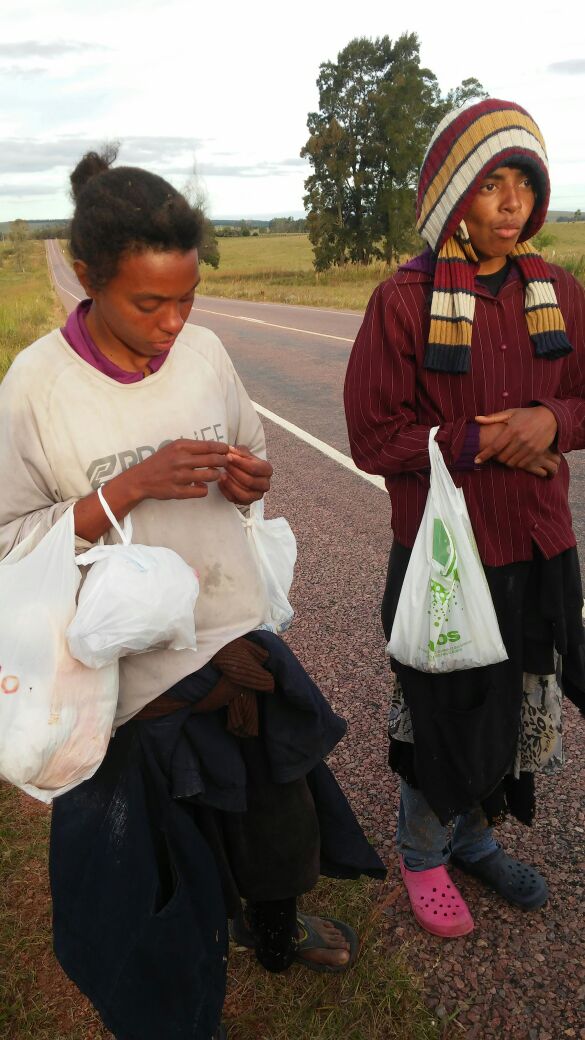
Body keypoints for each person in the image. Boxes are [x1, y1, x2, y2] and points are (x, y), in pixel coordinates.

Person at [0, 150, 384, 1040]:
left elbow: (251, 450)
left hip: (235, 643)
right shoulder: (34, 390)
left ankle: (275, 925)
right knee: (162, 874)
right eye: (148, 303)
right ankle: (180, 989)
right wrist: (127, 487)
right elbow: (12, 543)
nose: (173, 323)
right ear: (89, 281)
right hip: (127, 691)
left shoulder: (204, 353)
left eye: (188, 297)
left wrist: (252, 478)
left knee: (276, 821)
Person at [344, 98, 585, 939]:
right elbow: (373, 438)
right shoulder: (403, 301)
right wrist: (482, 440)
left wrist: (552, 423)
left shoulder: (556, 290)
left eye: (524, 183)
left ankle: (475, 839)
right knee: (443, 710)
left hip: (535, 546)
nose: (511, 202)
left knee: (514, 700)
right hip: (447, 558)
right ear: (454, 200)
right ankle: (421, 852)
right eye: (491, 185)